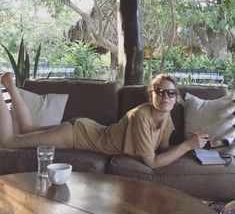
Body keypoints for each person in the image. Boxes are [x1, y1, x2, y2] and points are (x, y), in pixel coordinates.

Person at [0, 72, 210, 169]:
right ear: (151, 94)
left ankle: (10, 85)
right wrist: (186, 145)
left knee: (27, 129)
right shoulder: (141, 116)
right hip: (75, 135)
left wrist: (193, 146)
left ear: (176, 97)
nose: (166, 97)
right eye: (160, 92)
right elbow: (152, 162)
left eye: (171, 93)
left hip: (84, 127)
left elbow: (162, 149)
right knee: (9, 142)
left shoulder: (167, 119)